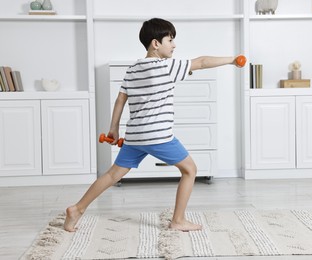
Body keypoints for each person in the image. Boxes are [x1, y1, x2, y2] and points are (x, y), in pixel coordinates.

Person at [64, 18, 244, 232]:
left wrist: (114, 128)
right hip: (158, 136)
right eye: (170, 40)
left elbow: (121, 99)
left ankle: (77, 208)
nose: (174, 45)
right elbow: (202, 62)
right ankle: (178, 221)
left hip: (135, 136)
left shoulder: (132, 69)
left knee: (113, 174)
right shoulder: (166, 66)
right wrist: (232, 59)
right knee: (190, 170)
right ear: (155, 43)